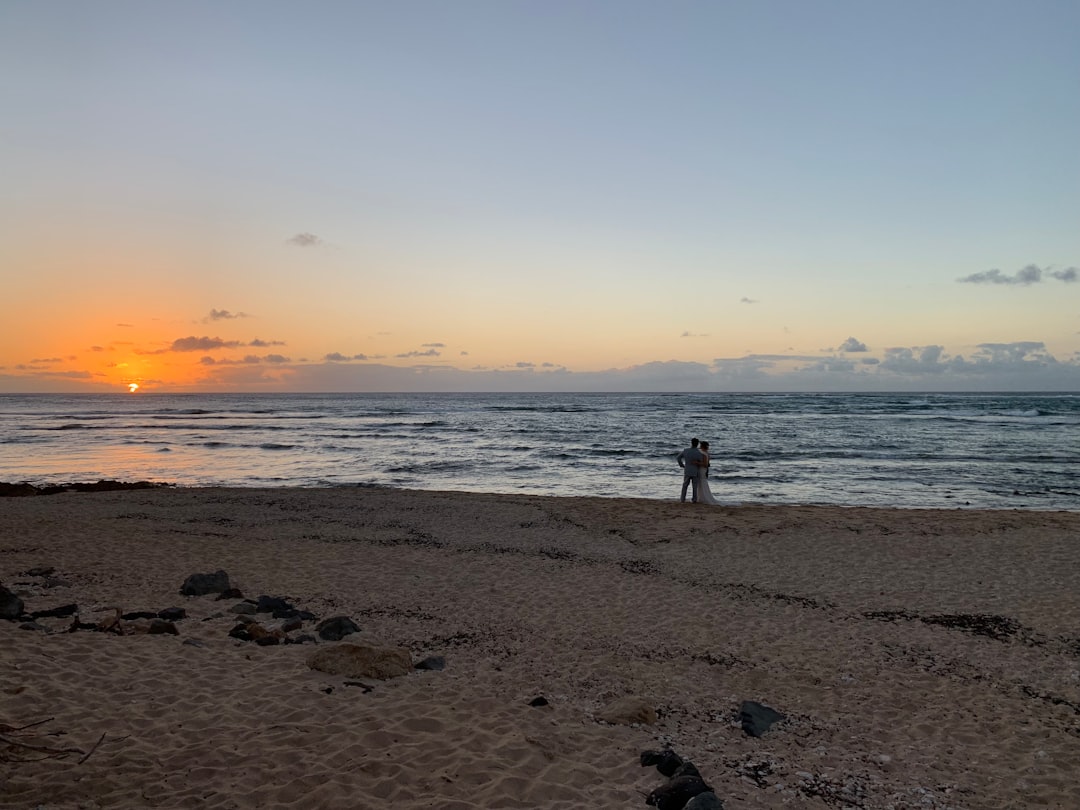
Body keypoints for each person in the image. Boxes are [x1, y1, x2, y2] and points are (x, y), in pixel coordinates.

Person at [676, 438, 705, 502]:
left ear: (691, 443)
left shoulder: (686, 450)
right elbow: (701, 461)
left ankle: (682, 499)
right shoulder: (698, 453)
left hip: (687, 470)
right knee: (694, 486)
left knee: (685, 485)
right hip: (695, 470)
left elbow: (678, 457)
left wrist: (681, 465)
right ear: (697, 444)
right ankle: (694, 499)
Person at [696, 441, 721, 505]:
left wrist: (696, 463)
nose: (699, 446)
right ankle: (701, 497)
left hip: (702, 469)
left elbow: (705, 464)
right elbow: (708, 464)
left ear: (702, 446)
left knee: (701, 483)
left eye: (700, 445)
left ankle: (702, 497)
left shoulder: (703, 453)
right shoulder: (707, 453)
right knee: (702, 483)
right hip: (704, 470)